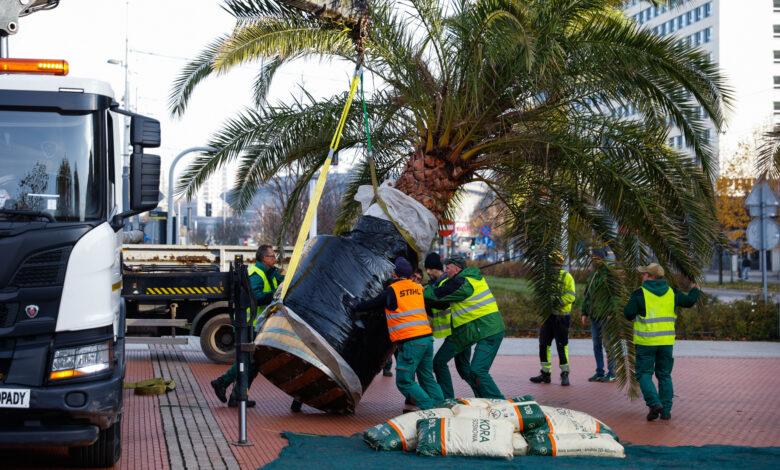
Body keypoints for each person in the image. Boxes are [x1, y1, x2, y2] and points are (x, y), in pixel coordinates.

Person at [349, 257, 444, 411]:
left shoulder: (392, 291)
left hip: (412, 342)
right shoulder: (418, 288)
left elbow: (372, 304)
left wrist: (356, 305)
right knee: (427, 378)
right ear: (410, 274)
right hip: (427, 339)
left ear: (394, 274)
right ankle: (442, 406)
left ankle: (429, 409)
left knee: (404, 380)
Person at [623, 263, 699, 421]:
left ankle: (654, 403)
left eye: (644, 274)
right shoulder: (672, 293)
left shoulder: (639, 294)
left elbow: (628, 314)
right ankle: (666, 411)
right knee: (664, 375)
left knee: (644, 374)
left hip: (646, 343)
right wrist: (695, 288)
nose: (641, 276)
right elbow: (689, 301)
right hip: (666, 343)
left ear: (651, 277)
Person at [210, 244, 284, 407]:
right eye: (272, 256)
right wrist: (274, 296)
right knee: (249, 360)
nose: (275, 259)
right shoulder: (256, 274)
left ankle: (237, 395)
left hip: (255, 324)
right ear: (264, 258)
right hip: (248, 324)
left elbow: (282, 282)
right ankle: (222, 382)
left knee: (254, 361)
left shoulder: (269, 272)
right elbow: (255, 297)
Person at [424, 255, 505, 399]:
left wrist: (417, 292)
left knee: (477, 371)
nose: (445, 271)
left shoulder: (461, 283)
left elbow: (438, 295)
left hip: (488, 330)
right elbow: (441, 302)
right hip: (469, 330)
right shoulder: (461, 280)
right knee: (465, 368)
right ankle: (481, 400)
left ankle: (500, 404)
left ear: (457, 269)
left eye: (447, 268)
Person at [422, 252, 478, 399]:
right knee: (464, 369)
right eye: (426, 269)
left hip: (460, 331)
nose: (427, 272)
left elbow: (440, 303)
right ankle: (483, 395)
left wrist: (423, 296)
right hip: (460, 329)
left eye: (431, 269)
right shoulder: (439, 283)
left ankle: (447, 399)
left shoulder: (448, 284)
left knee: (438, 363)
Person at [530, 250, 575, 386]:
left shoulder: (567, 277)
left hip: (561, 318)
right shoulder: (546, 278)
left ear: (559, 263)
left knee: (562, 346)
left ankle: (565, 374)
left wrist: (556, 300)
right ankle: (545, 374)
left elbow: (571, 296)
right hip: (547, 317)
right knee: (544, 345)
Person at [581, 256, 616, 382]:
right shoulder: (592, 276)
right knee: (596, 344)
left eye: (596, 258)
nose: (593, 262)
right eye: (592, 259)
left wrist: (611, 311)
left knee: (608, 344)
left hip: (605, 315)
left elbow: (615, 295)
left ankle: (612, 372)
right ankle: (599, 371)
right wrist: (584, 313)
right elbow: (586, 296)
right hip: (593, 316)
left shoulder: (610, 275)